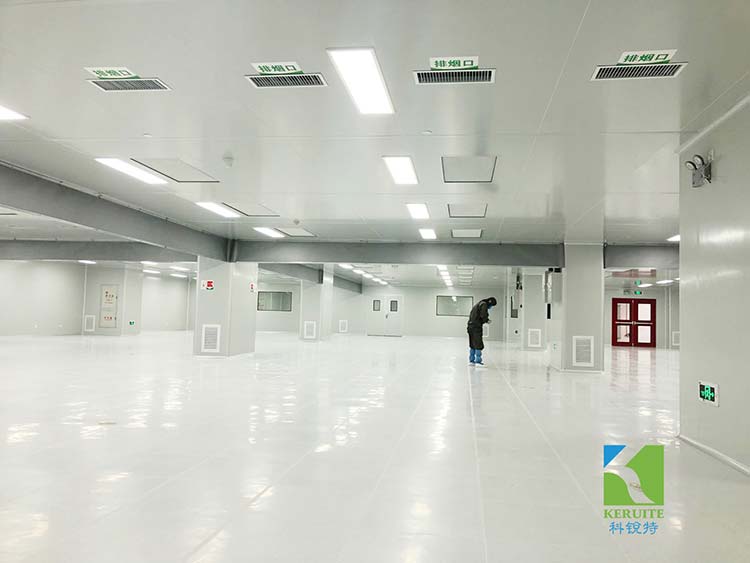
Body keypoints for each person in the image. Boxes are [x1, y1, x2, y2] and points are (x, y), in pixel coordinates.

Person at [467, 297, 497, 366]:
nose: (491, 307)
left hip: (470, 326)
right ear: (490, 302)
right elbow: (483, 314)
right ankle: (478, 361)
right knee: (478, 343)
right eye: (491, 305)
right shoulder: (484, 304)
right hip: (476, 327)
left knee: (472, 343)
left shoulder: (478, 304)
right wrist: (487, 320)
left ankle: (471, 361)